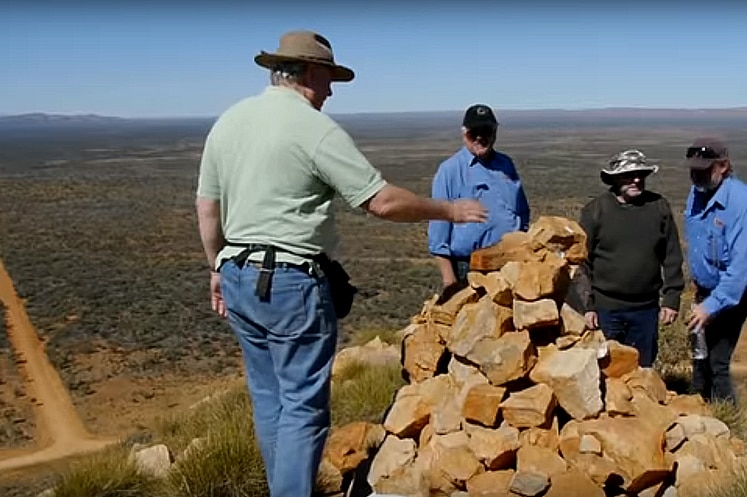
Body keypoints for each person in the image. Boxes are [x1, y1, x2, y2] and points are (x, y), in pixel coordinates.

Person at [194, 30, 487, 497]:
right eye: (329, 78)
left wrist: (216, 269)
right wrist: (450, 210)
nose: (330, 90)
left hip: (237, 276)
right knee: (304, 409)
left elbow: (208, 208)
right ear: (309, 72)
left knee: (270, 400)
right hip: (289, 282)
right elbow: (382, 202)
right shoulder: (313, 128)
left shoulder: (229, 121)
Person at [577, 149, 684, 367]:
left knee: (643, 369)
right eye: (628, 175)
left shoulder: (658, 206)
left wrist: (671, 299)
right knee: (605, 371)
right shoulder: (595, 211)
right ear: (615, 179)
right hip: (606, 309)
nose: (636, 180)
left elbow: (672, 255)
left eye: (641, 175)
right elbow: (581, 262)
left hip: (646, 309)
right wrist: (587, 306)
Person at [428, 104, 530, 290]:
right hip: (470, 267)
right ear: (464, 133)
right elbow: (438, 235)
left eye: (487, 131)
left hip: (510, 263)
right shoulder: (450, 171)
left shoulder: (506, 164)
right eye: (474, 132)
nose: (480, 137)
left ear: (495, 132)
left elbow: (521, 209)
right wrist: (449, 281)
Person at [684, 137, 747, 404]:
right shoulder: (696, 192)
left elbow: (740, 268)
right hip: (705, 290)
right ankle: (697, 408)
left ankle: (729, 427)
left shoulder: (739, 202)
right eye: (693, 169)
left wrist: (710, 306)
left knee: (718, 363)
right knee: (700, 357)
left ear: (722, 166)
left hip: (733, 293)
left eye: (704, 169)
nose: (697, 174)